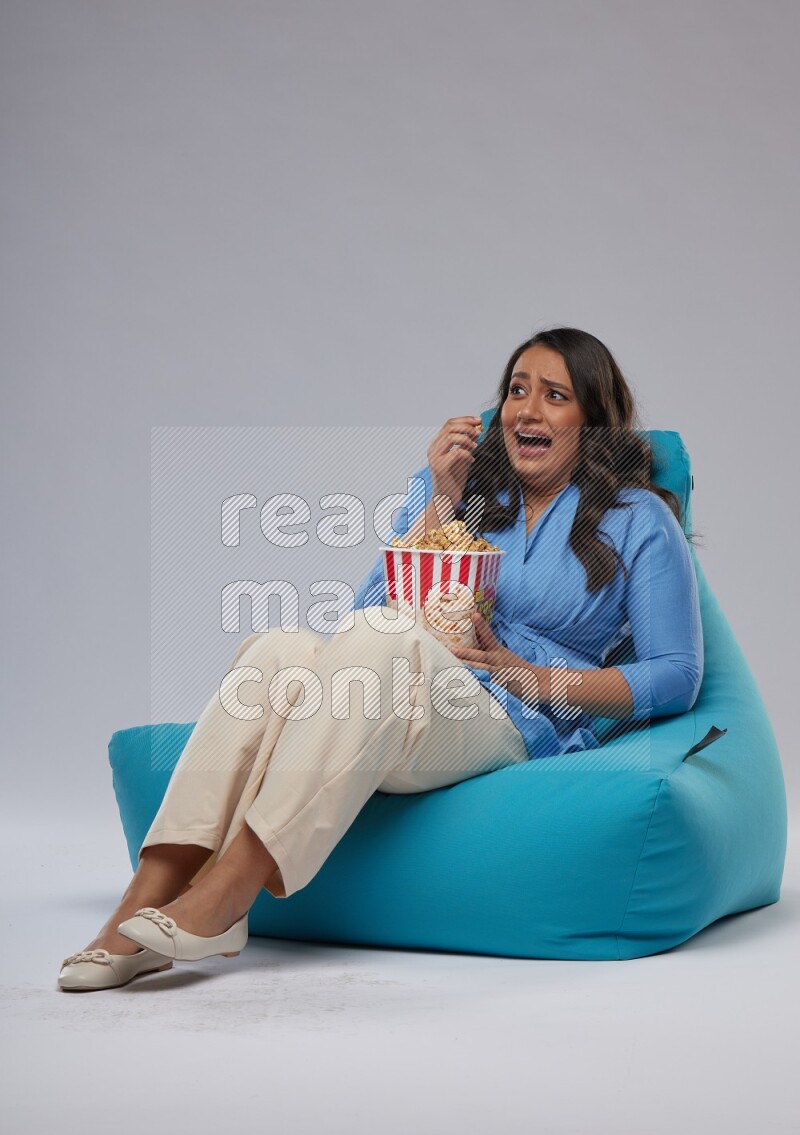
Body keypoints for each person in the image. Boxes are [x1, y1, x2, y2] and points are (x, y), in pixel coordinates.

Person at [58, 326, 703, 991]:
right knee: (277, 650)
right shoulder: (471, 495)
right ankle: (146, 896)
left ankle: (228, 891)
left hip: (513, 722)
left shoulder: (637, 518)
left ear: (592, 420)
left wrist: (533, 677)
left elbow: (676, 675)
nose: (526, 410)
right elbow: (362, 616)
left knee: (386, 641)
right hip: (398, 694)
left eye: (554, 395)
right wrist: (442, 501)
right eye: (516, 390)